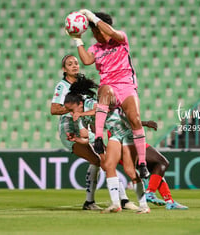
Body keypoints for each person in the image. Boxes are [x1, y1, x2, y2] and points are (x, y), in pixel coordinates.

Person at [67, 9, 149, 179]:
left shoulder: (121, 39)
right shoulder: (95, 49)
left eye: (97, 30)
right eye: (93, 32)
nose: (96, 34)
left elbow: (111, 32)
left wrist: (92, 17)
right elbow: (86, 61)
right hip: (109, 88)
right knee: (105, 89)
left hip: (126, 86)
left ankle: (142, 163)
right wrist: (77, 40)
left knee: (136, 120)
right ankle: (98, 138)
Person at [51, 55, 136, 211]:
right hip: (69, 127)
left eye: (76, 63)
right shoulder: (62, 86)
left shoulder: (82, 85)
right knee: (99, 161)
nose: (74, 65)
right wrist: (73, 109)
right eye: (70, 64)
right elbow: (54, 109)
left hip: (85, 125)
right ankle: (119, 200)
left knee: (103, 160)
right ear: (64, 69)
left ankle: (99, 201)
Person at [64, 75, 150, 213]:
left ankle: (144, 205)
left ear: (79, 103)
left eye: (71, 109)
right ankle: (116, 204)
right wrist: (76, 138)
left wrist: (80, 114)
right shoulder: (82, 115)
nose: (71, 113)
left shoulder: (89, 104)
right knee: (109, 166)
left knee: (129, 170)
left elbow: (104, 109)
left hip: (126, 132)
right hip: (115, 134)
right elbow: (86, 135)